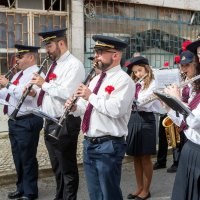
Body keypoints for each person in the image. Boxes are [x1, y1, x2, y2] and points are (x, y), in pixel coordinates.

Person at [65, 35, 135, 200]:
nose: (96, 55)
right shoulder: (96, 78)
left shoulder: (124, 81)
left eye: (101, 52)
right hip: (89, 143)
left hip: (109, 145)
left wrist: (90, 96)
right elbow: (86, 107)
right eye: (96, 51)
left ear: (115, 55)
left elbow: (116, 110)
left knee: (109, 193)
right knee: (95, 193)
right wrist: (75, 106)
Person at [29, 28, 85, 200]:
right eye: (46, 46)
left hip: (66, 122)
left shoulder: (74, 65)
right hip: (51, 121)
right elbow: (50, 94)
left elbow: (67, 92)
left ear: (61, 43)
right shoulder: (55, 64)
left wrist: (43, 84)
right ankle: (59, 196)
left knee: (67, 167)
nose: (47, 50)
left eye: (50, 46)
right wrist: (35, 92)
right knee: (57, 166)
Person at [0, 44, 44, 200]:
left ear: (31, 57)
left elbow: (27, 94)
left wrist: (8, 84)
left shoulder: (36, 73)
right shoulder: (19, 75)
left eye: (20, 56)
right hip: (16, 121)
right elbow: (7, 93)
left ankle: (30, 192)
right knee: (18, 157)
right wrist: (3, 88)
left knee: (27, 157)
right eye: (17, 56)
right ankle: (21, 188)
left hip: (28, 120)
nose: (16, 59)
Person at [163, 48, 200, 200]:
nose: (183, 69)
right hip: (190, 147)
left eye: (187, 65)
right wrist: (168, 106)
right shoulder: (192, 88)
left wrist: (177, 100)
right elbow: (186, 122)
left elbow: (196, 122)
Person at [126, 56, 163, 200]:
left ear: (147, 69)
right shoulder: (134, 84)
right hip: (133, 119)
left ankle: (146, 190)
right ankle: (139, 187)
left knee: (145, 157)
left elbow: (145, 103)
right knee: (135, 156)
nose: (138, 75)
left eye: (140, 70)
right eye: (135, 72)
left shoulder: (153, 83)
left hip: (146, 120)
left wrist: (132, 100)